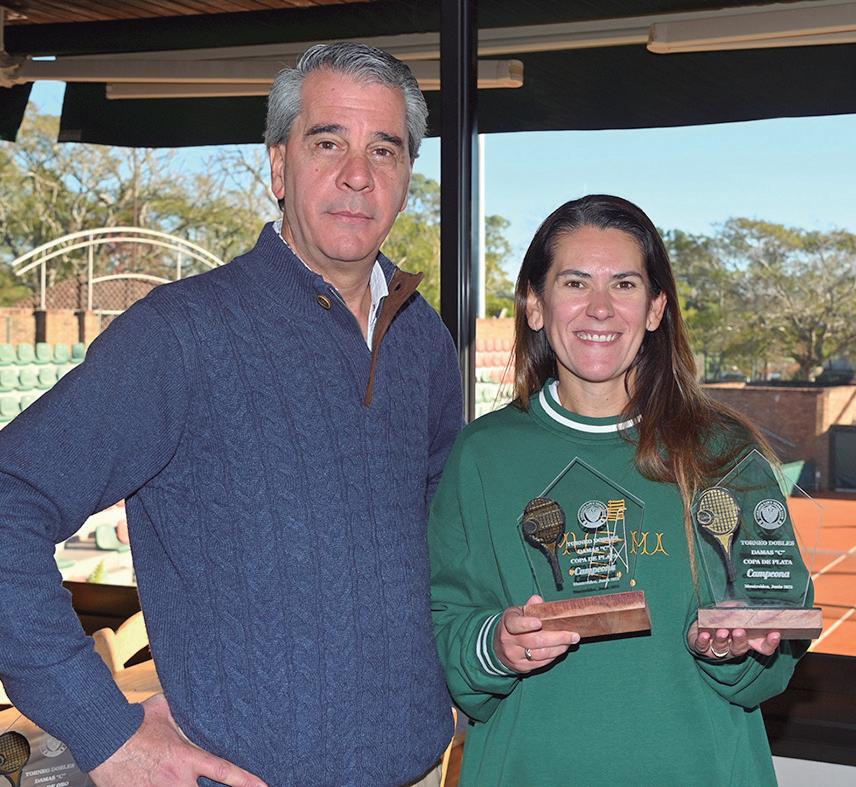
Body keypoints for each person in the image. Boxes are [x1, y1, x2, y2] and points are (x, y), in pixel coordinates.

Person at [0, 43, 462, 787]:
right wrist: (104, 731)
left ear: (407, 178)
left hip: (419, 767)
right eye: (328, 143)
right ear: (279, 167)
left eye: (384, 149)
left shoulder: (423, 339)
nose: (358, 173)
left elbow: (446, 538)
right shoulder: (180, 334)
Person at [429, 195, 808, 786]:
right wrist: (496, 647)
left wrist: (732, 650)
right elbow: (443, 630)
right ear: (535, 305)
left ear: (655, 309)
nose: (600, 308)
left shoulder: (723, 450)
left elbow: (773, 659)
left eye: (624, 284)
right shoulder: (482, 454)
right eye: (575, 282)